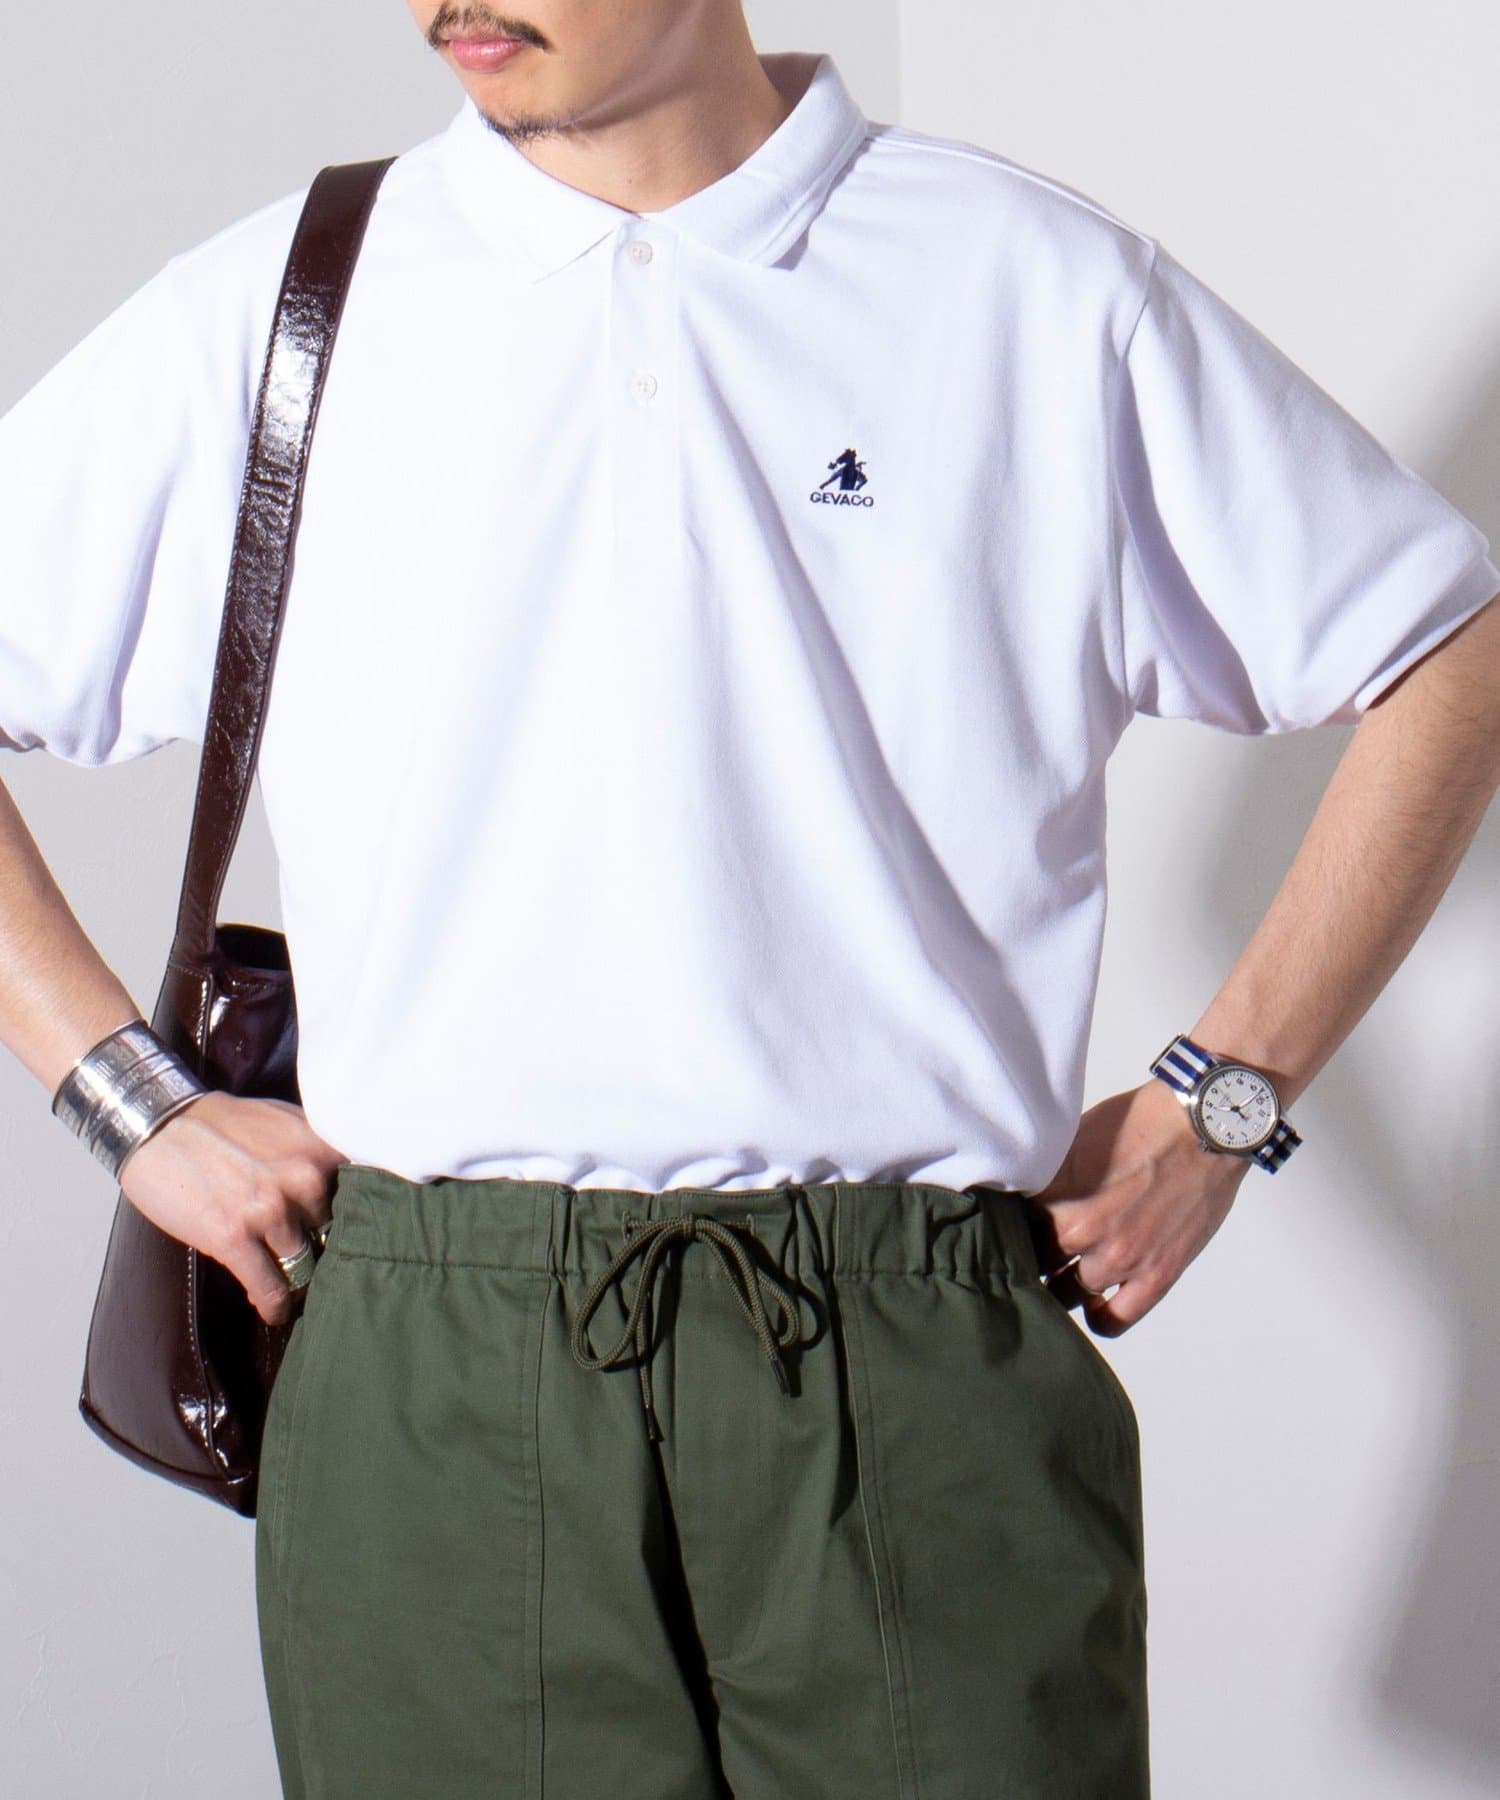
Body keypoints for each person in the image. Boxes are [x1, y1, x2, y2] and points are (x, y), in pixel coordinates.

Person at [3, 3, 1498, 1795]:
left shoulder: (1023, 285)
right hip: (439, 1363)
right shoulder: (283, 306)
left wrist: (1224, 1102)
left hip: (911, 1342)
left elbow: (1445, 647)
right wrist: (130, 1101)